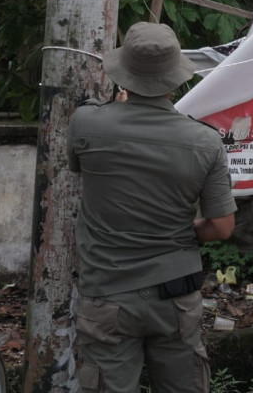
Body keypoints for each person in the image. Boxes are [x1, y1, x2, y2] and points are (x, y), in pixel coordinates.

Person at [68, 22, 237, 393]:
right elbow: (222, 227)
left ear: (123, 74)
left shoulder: (86, 124)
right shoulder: (204, 141)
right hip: (175, 295)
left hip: (107, 293)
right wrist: (183, 230)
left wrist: (113, 113)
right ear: (176, 78)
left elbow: (80, 168)